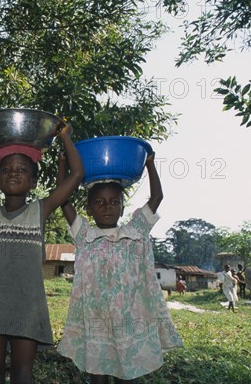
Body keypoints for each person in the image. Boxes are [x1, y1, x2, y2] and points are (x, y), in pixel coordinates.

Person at [0, 122, 84, 383]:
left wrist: (65, 138)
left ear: (34, 180)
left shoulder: (41, 210)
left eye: (22, 169)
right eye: (7, 169)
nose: (13, 173)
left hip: (27, 308)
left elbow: (77, 175)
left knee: (23, 372)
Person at [57, 152, 183, 383]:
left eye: (115, 202)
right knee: (98, 372)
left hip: (130, 319)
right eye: (99, 202)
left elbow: (157, 197)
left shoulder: (135, 232)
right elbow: (62, 199)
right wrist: (62, 165)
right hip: (96, 319)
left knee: (129, 371)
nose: (107, 207)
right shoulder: (85, 235)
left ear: (123, 208)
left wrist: (150, 165)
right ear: (89, 209)